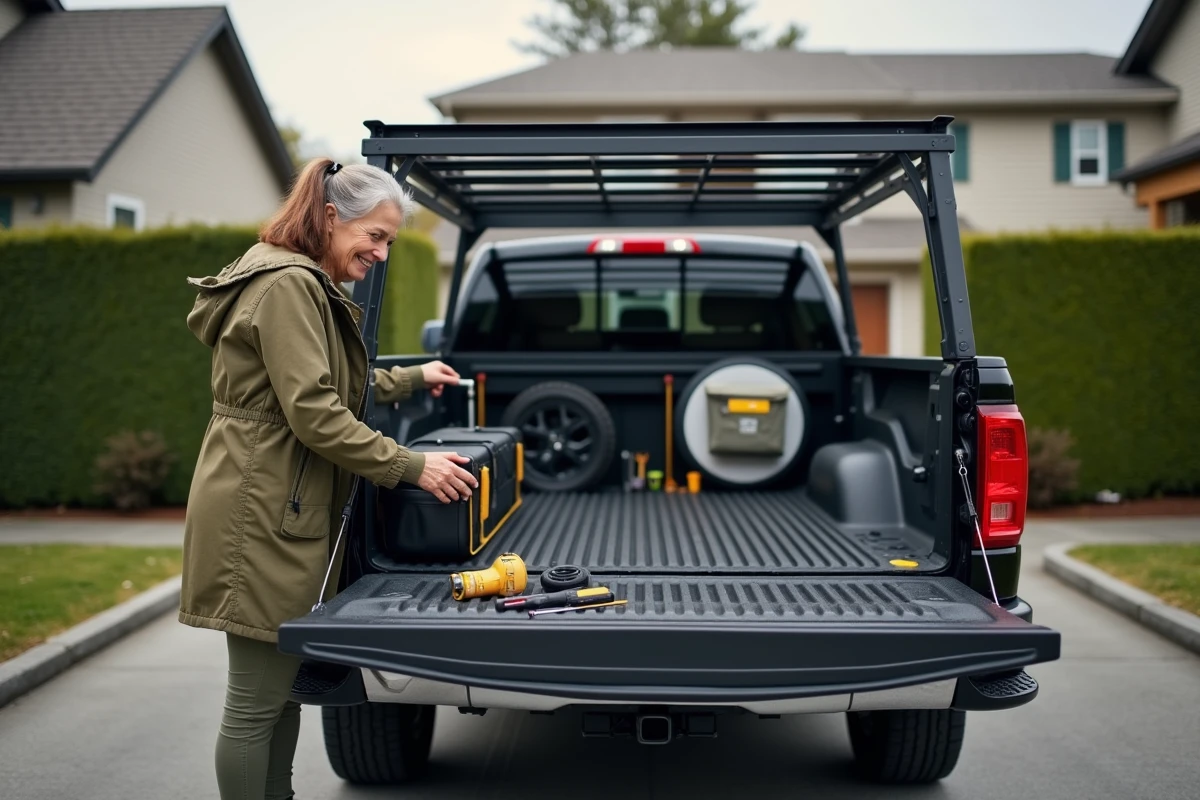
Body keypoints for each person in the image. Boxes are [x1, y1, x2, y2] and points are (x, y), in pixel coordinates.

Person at [178, 157, 478, 800]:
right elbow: (314, 411)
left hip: (271, 503)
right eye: (376, 236)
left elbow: (329, 383)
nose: (382, 253)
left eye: (390, 241)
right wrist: (411, 466)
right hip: (258, 512)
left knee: (279, 694)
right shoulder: (290, 285)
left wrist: (411, 377)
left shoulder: (297, 279)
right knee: (255, 704)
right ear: (331, 216)